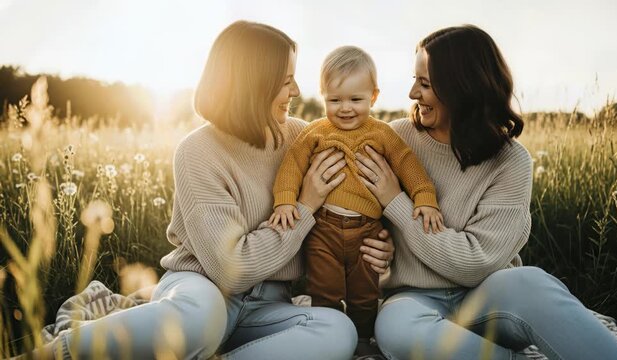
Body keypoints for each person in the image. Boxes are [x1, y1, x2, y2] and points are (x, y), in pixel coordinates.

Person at [29, 21, 394, 360]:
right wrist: (304, 206)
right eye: (286, 81)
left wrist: (379, 244)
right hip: (202, 288)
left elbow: (350, 208)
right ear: (256, 84)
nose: (296, 91)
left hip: (271, 302)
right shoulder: (197, 151)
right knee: (201, 319)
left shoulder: (303, 136)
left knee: (338, 331)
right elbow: (230, 270)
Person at [354, 25, 617, 359]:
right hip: (412, 298)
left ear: (462, 88)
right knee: (397, 331)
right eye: (415, 80)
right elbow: (353, 217)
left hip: (486, 297)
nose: (413, 93)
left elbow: (475, 263)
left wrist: (395, 203)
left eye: (425, 83)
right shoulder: (393, 139)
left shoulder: (511, 161)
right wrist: (377, 242)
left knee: (532, 283)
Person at [268, 45, 442, 355]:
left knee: (365, 292)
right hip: (323, 230)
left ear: (373, 96)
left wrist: (425, 198)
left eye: (356, 100)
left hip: (367, 230)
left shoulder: (383, 133)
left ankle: (362, 342)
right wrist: (284, 201)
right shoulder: (314, 132)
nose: (345, 108)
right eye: (334, 100)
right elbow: (292, 165)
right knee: (324, 289)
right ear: (322, 96)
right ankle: (328, 339)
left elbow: (407, 164)